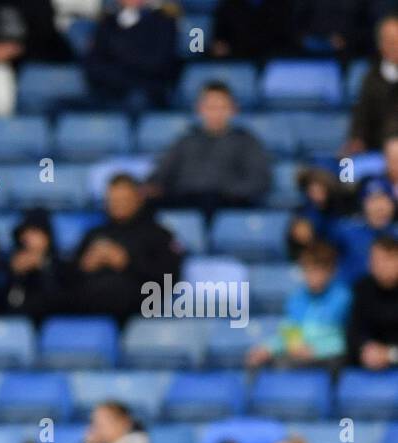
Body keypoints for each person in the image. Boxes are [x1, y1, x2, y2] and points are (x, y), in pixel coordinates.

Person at [147, 81, 271, 216]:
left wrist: (227, 190)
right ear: (199, 109)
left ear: (233, 110)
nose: (216, 113)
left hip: (229, 204)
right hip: (186, 201)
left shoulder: (247, 141)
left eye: (222, 107)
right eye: (210, 107)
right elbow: (160, 176)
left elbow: (260, 181)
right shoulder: (185, 141)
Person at [69, 174, 181, 320]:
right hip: (89, 310)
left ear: (138, 199)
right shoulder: (94, 234)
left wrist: (126, 262)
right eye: (113, 200)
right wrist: (84, 266)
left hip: (137, 311)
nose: (118, 205)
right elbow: (68, 276)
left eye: (124, 200)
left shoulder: (158, 234)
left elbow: (168, 278)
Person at [247, 240, 351, 369]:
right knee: (273, 363)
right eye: (307, 270)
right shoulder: (296, 298)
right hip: (299, 356)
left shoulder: (343, 297)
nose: (312, 276)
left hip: (331, 358)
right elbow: (289, 332)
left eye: (317, 270)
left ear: (331, 271)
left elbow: (347, 338)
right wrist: (268, 348)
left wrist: (317, 351)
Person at [83, 0, 178, 111]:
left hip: (146, 91)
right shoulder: (107, 23)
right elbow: (94, 63)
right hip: (108, 89)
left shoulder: (163, 22)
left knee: (136, 101)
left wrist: (119, 56)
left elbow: (157, 62)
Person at [344, 14, 398, 154]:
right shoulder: (370, 79)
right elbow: (361, 119)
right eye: (389, 41)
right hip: (377, 149)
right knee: (346, 165)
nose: (394, 46)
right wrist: (356, 140)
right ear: (380, 44)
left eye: (397, 41)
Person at [346, 233, 398, 369]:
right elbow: (354, 331)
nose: (381, 266)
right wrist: (365, 349)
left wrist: (390, 355)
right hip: (367, 364)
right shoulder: (361, 289)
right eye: (375, 260)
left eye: (387, 259)